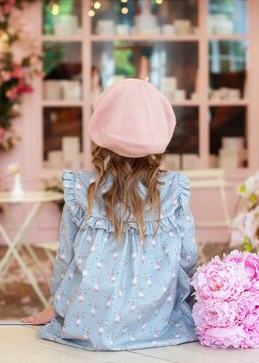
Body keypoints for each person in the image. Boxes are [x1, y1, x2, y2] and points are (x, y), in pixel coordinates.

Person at [21, 78, 198, 350]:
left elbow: (66, 259)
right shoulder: (172, 191)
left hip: (89, 320)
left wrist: (57, 307)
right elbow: (187, 257)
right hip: (156, 319)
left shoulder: (82, 189)